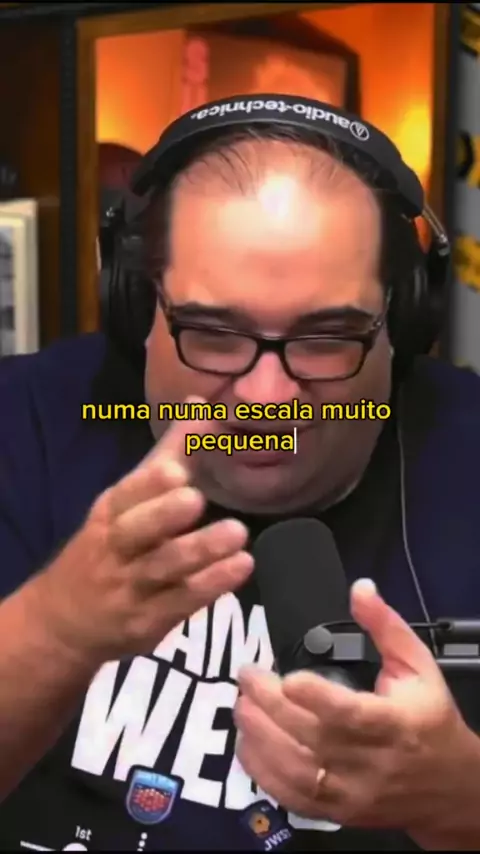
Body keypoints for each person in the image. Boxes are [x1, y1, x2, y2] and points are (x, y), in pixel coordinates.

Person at [0, 93, 480, 852]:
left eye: (326, 338)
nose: (265, 397)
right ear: (136, 308)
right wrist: (55, 629)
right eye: (215, 335)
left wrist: (456, 798)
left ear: (405, 320)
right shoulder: (21, 427)